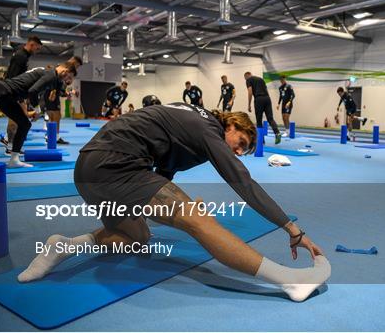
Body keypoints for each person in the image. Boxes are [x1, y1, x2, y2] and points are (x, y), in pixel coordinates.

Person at [17, 103, 331, 302]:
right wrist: (291, 229)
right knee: (200, 222)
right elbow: (242, 181)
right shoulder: (208, 129)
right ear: (231, 126)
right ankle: (289, 281)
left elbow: (163, 171)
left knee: (137, 237)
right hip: (115, 164)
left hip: (87, 169)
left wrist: (173, 206)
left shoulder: (191, 119)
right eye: (241, 144)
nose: (237, 151)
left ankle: (65, 246)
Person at [0, 62, 77, 167]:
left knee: (25, 124)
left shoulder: (52, 76)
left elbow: (26, 89)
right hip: (2, 91)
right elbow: (32, 91)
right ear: (65, 69)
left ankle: (14, 159)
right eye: (67, 75)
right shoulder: (50, 75)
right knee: (24, 124)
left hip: (10, 96)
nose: (66, 78)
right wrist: (37, 110)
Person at [0, 35, 43, 151]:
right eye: (37, 48)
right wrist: (18, 97)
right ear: (31, 44)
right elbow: (13, 77)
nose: (37, 51)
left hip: (13, 91)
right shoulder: (21, 57)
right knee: (15, 119)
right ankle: (9, 145)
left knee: (19, 119)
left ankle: (8, 142)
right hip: (11, 91)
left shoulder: (24, 56)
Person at [41, 56, 83, 145]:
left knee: (56, 115)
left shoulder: (66, 70)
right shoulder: (63, 68)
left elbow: (63, 86)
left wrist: (69, 91)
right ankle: (51, 136)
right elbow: (59, 83)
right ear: (74, 62)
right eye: (77, 65)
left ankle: (53, 136)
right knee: (54, 115)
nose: (77, 67)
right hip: (51, 92)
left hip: (54, 93)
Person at [244, 71, 281, 144]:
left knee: (259, 120)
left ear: (246, 76)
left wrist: (249, 104)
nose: (245, 80)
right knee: (270, 118)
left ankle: (261, 140)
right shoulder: (261, 79)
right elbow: (266, 90)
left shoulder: (249, 80)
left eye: (245, 78)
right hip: (267, 98)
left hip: (259, 99)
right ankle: (277, 133)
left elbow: (250, 92)